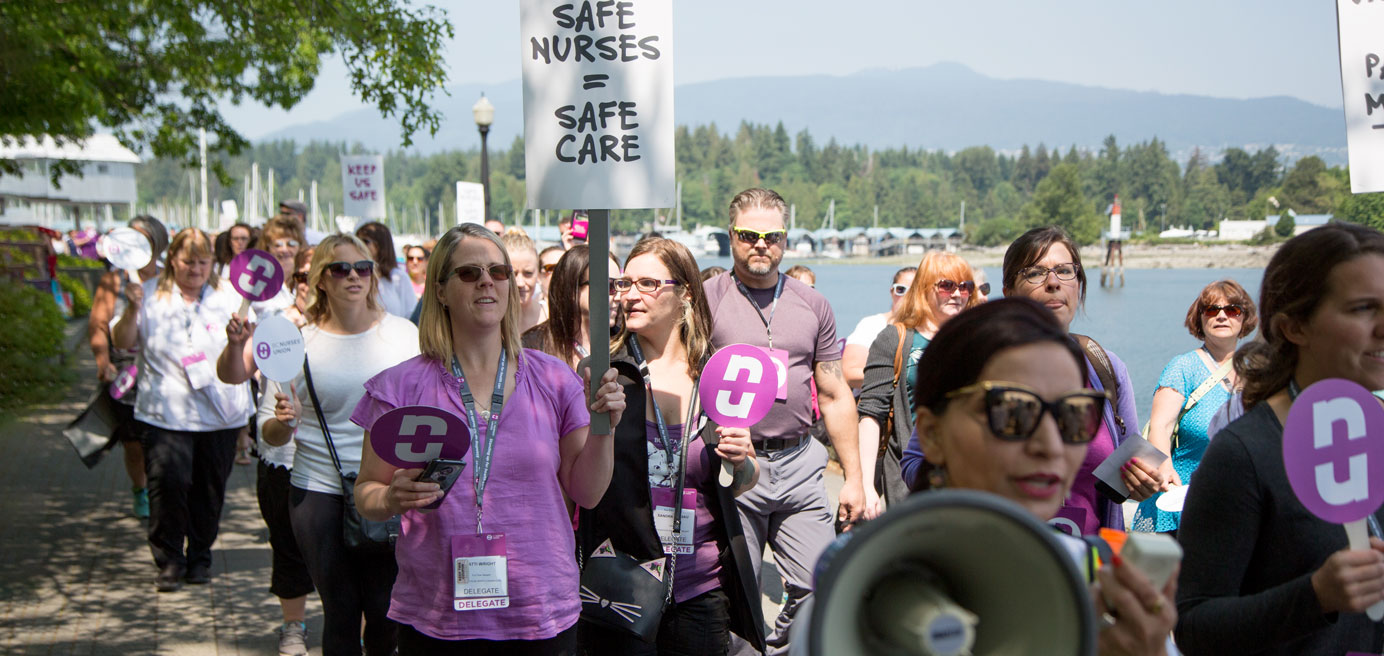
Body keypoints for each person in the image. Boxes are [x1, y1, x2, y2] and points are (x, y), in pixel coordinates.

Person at [350, 223, 625, 654]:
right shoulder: (399, 388)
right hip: (437, 614)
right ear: (439, 290)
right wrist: (388, 499)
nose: (486, 281)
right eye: (468, 272)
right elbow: (366, 490)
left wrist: (604, 429)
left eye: (499, 272)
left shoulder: (555, 380)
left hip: (539, 610)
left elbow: (586, 494)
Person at [911, 297, 1178, 656]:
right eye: (1013, 411)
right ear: (932, 433)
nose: (1051, 445)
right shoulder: (862, 582)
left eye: (1074, 414)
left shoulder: (1108, 587)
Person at [1175, 223, 1384, 655]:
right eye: (1364, 309)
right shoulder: (1243, 455)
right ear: (1293, 327)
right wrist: (1315, 595)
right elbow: (1194, 628)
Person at [222, 233, 421, 656]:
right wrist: (282, 423)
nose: (353, 275)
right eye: (340, 268)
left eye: (362, 267)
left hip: (387, 488)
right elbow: (268, 434)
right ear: (320, 281)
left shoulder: (405, 336)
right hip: (317, 489)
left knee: (386, 611)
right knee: (341, 609)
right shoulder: (297, 341)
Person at [576, 237, 766, 655]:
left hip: (699, 585)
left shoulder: (717, 374)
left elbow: (742, 481)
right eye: (625, 284)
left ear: (684, 294)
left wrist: (741, 460)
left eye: (647, 283)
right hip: (622, 581)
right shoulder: (604, 373)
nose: (630, 295)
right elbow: (583, 482)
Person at [703, 188, 864, 656]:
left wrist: (854, 478)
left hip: (799, 463)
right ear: (731, 235)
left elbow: (834, 394)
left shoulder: (813, 304)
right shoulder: (704, 298)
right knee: (740, 596)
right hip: (732, 466)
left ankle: (781, 647)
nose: (760, 244)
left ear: (785, 239)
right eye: (748, 234)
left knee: (821, 584)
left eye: (771, 236)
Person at [947, 225, 1149, 537]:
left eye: (1065, 271)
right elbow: (919, 463)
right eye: (1035, 273)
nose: (1053, 283)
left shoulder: (1106, 366)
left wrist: (1140, 482)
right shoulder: (974, 366)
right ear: (1010, 290)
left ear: (1078, 285)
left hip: (1087, 567)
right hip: (995, 557)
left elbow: (1127, 466)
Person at [111, 228, 252, 592]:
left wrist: (243, 337)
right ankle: (170, 559)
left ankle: (200, 557)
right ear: (173, 258)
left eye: (203, 262)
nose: (196, 269)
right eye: (188, 261)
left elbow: (248, 348)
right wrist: (132, 307)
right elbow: (123, 342)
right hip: (165, 411)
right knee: (168, 484)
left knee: (209, 490)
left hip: (219, 412)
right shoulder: (149, 292)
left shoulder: (229, 296)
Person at [857, 252, 980, 518]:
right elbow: (870, 413)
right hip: (910, 475)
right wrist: (866, 485)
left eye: (965, 286)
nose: (957, 294)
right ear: (925, 288)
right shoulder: (896, 338)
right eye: (947, 285)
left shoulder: (977, 341)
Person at [1130, 280, 1257, 535]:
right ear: (1199, 318)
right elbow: (1161, 426)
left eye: (1232, 310)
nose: (1222, 315)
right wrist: (1164, 468)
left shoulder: (1255, 372)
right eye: (1211, 310)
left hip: (1236, 505)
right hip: (1179, 504)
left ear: (1244, 319)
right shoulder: (1183, 368)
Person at [87, 215, 169, 518]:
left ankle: (164, 487)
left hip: (163, 367)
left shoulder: (170, 278)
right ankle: (141, 489)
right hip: (125, 371)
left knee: (162, 438)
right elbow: (97, 325)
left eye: (143, 238)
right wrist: (102, 361)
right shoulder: (114, 280)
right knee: (133, 442)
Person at [521, 244, 619, 370]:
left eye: (619, 285)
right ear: (573, 289)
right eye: (608, 286)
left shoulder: (624, 343)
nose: (618, 297)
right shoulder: (532, 346)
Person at [843, 266, 916, 391]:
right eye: (901, 289)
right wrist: (902, 375)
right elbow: (850, 374)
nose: (907, 295)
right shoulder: (871, 324)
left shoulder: (932, 328)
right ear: (892, 291)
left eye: (915, 290)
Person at [356, 221, 418, 319]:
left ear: (380, 244)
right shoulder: (354, 277)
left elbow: (411, 314)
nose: (359, 245)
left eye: (365, 241)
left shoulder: (398, 277)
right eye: (357, 241)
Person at [500, 227, 546, 333]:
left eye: (528, 273)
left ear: (538, 274)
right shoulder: (487, 322)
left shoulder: (552, 318)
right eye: (513, 274)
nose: (520, 283)